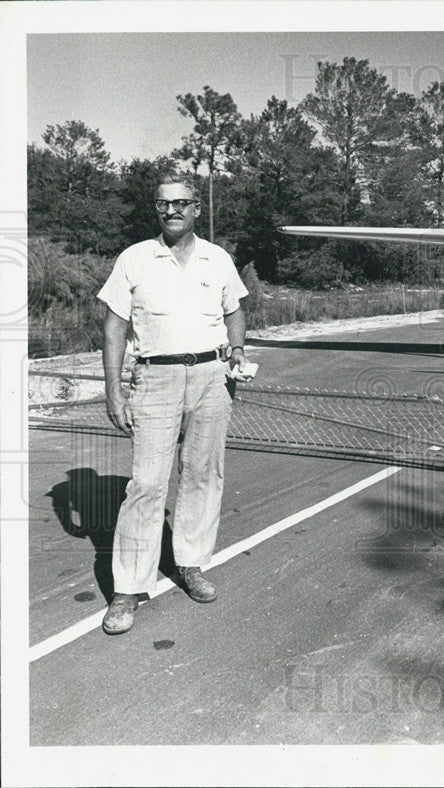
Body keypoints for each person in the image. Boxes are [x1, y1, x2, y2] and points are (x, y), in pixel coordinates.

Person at [97, 173, 253, 635]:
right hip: (155, 377)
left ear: (196, 209)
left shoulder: (217, 258)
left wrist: (238, 350)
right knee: (146, 484)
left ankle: (190, 565)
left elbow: (235, 311)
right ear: (156, 209)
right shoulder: (135, 259)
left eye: (181, 203)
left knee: (203, 474)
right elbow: (113, 328)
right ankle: (128, 589)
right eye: (164, 204)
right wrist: (113, 389)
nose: (172, 211)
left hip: (211, 376)